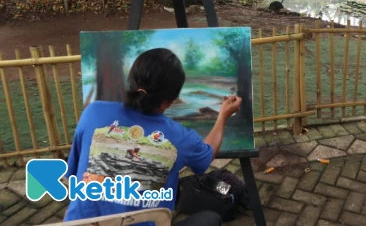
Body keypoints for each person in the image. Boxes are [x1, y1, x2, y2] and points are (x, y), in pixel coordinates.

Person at [64, 48, 241, 226]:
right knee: (211, 219)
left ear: (131, 80)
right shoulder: (180, 138)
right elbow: (207, 155)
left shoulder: (93, 113)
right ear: (173, 99)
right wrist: (222, 117)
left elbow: (74, 175)